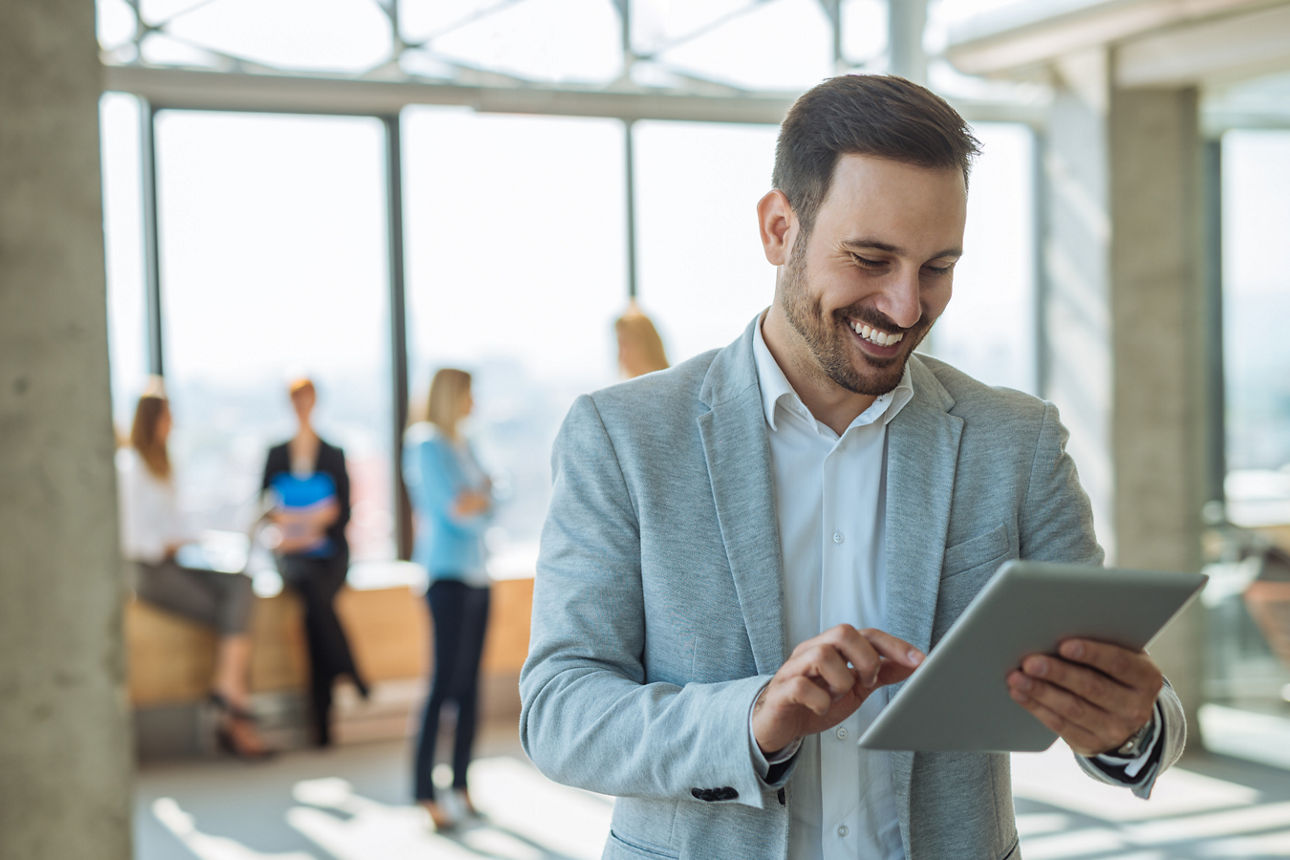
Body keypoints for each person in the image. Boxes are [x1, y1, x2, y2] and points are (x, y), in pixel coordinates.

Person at [519, 74, 1185, 859]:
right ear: (777, 230)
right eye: (871, 259)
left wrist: (1132, 724)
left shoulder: (1018, 442)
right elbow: (560, 711)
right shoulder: (623, 436)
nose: (906, 308)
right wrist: (753, 717)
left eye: (937, 267)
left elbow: (1119, 680)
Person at [116, 382, 272, 759]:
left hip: (176, 561)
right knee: (235, 617)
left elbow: (174, 525)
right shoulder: (131, 468)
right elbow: (135, 539)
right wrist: (173, 542)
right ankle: (233, 707)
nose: (173, 424)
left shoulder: (164, 465)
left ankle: (227, 691)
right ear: (152, 420)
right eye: (167, 416)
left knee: (241, 587)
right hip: (148, 570)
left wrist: (195, 540)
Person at [403, 368, 495, 831]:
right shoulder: (425, 444)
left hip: (479, 575)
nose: (473, 402)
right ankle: (424, 791)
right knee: (442, 686)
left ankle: (461, 784)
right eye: (468, 393)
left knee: (470, 687)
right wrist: (480, 498)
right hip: (445, 577)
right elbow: (454, 510)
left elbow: (494, 497)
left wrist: (478, 499)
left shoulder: (467, 444)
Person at [261, 377, 367, 748]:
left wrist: (299, 521)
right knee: (311, 594)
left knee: (313, 610)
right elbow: (266, 509)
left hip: (330, 555)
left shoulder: (333, 452)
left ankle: (320, 724)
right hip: (292, 556)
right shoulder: (275, 452)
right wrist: (308, 522)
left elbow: (342, 513)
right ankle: (348, 667)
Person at [615, 301, 670, 378]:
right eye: (619, 345)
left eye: (626, 344)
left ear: (648, 346)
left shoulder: (674, 385)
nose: (620, 354)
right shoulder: (628, 387)